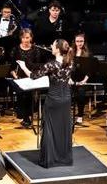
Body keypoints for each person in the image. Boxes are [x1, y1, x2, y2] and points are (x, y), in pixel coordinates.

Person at [16, 39, 74, 168]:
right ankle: (63, 158)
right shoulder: (70, 62)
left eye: (53, 45)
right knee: (62, 128)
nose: (51, 46)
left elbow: (33, 76)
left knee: (50, 128)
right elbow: (67, 79)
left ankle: (50, 159)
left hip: (53, 100)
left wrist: (23, 66)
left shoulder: (51, 65)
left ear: (58, 49)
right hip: (66, 99)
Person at [10, 29, 47, 127]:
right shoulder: (15, 49)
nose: (25, 40)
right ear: (20, 38)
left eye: (27, 37)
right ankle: (25, 117)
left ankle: (28, 116)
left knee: (30, 92)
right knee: (22, 92)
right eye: (23, 38)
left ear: (31, 38)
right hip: (18, 78)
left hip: (31, 76)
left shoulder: (36, 49)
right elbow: (11, 67)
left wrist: (31, 75)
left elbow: (38, 66)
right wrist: (15, 76)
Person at [71, 33, 93, 124]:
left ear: (84, 42)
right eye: (77, 41)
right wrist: (70, 79)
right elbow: (66, 67)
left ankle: (80, 115)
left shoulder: (88, 54)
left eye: (81, 41)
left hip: (83, 79)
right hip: (71, 79)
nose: (79, 43)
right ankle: (67, 115)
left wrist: (84, 81)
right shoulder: (70, 52)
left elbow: (90, 70)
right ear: (74, 42)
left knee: (80, 94)